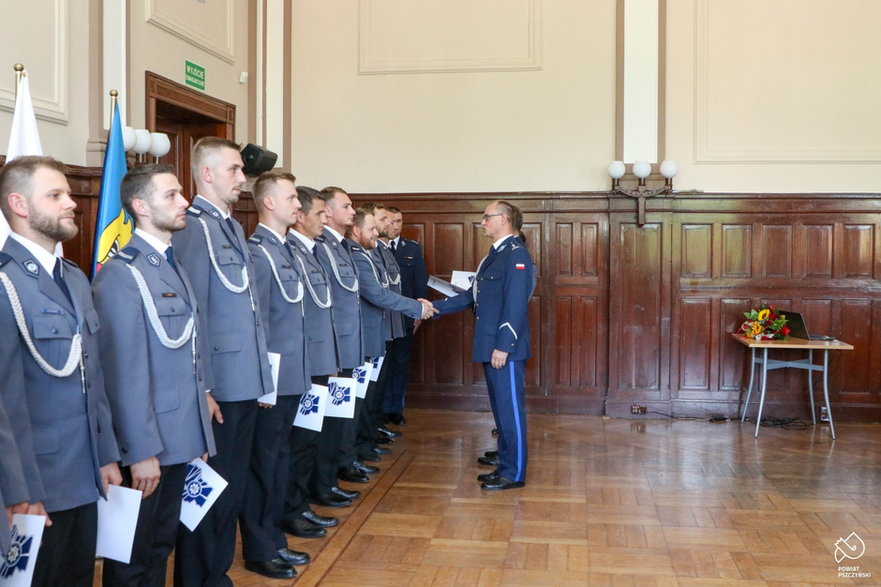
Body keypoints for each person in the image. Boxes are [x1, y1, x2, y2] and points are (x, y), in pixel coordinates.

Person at [92, 164, 218, 586]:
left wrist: (198, 431)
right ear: (140, 206)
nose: (184, 202)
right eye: (172, 195)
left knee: (160, 544)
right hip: (149, 443)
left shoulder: (169, 264)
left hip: (179, 435)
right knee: (133, 555)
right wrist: (140, 450)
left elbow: (189, 355)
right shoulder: (122, 274)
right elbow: (122, 374)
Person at [0, 156, 122, 585]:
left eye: (69, 193)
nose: (72, 203)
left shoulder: (72, 277)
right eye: (55, 195)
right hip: (38, 481)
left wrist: (105, 453)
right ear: (18, 204)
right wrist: (18, 490)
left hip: (85, 471)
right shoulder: (5, 283)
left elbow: (94, 376)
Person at [172, 137, 274, 586]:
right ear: (207, 174)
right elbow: (192, 318)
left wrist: (262, 376)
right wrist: (204, 388)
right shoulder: (193, 228)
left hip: (244, 379)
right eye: (233, 169)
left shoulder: (229, 225)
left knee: (229, 487)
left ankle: (216, 573)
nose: (241, 178)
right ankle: (199, 577)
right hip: (220, 384)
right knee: (210, 490)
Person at [431, 201, 533, 491]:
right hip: (491, 345)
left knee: (511, 411)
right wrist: (432, 307)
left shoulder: (515, 254)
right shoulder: (496, 255)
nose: (482, 222)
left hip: (504, 348)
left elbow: (515, 305)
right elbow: (472, 296)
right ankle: (505, 464)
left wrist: (504, 345)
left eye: (487, 217)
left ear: (504, 219)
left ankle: (514, 474)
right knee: (501, 411)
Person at [241, 171, 311, 580]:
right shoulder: (259, 252)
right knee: (263, 465)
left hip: (292, 375)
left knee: (279, 459)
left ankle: (274, 540)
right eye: (290, 198)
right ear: (268, 202)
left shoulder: (285, 250)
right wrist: (264, 382)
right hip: (273, 379)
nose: (298, 205)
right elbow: (259, 322)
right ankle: (259, 547)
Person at [281, 186, 341, 539]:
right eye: (320, 213)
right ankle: (292, 509)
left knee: (309, 440)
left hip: (317, 361)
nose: (326, 219)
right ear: (300, 216)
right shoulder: (288, 251)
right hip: (298, 366)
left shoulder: (314, 251)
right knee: (298, 442)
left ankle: (300, 505)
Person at [311, 186, 367, 503]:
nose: (353, 211)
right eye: (347, 206)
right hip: (332, 350)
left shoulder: (341, 246)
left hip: (345, 346)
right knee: (327, 423)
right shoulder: (321, 247)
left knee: (339, 419)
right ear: (328, 212)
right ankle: (322, 484)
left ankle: (330, 478)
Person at [382, 207, 428, 426]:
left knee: (401, 363)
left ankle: (395, 408)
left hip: (404, 315)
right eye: (391, 221)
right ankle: (380, 409)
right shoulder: (377, 247)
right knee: (383, 365)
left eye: (399, 221)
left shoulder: (412, 248)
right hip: (382, 316)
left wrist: (417, 314)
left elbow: (420, 282)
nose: (395, 225)